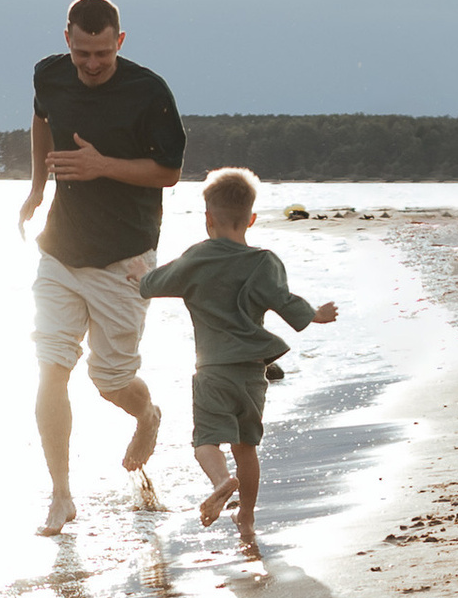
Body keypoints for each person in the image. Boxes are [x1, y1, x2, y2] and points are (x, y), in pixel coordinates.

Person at [18, 0, 187, 535]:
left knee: (111, 381)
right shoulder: (49, 74)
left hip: (124, 257)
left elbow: (169, 172)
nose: (91, 64)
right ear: (67, 37)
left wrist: (101, 166)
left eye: (102, 54)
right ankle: (61, 493)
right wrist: (37, 188)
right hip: (60, 249)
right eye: (83, 52)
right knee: (51, 366)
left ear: (120, 41)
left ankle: (146, 414)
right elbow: (41, 119)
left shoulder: (149, 92)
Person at [138, 167, 336, 565]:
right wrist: (316, 314)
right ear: (252, 219)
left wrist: (137, 276)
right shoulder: (264, 262)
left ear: (207, 218)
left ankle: (219, 480)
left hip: (211, 369)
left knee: (206, 442)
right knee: (247, 448)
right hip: (252, 374)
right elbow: (285, 301)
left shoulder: (197, 258)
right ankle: (246, 519)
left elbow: (153, 285)